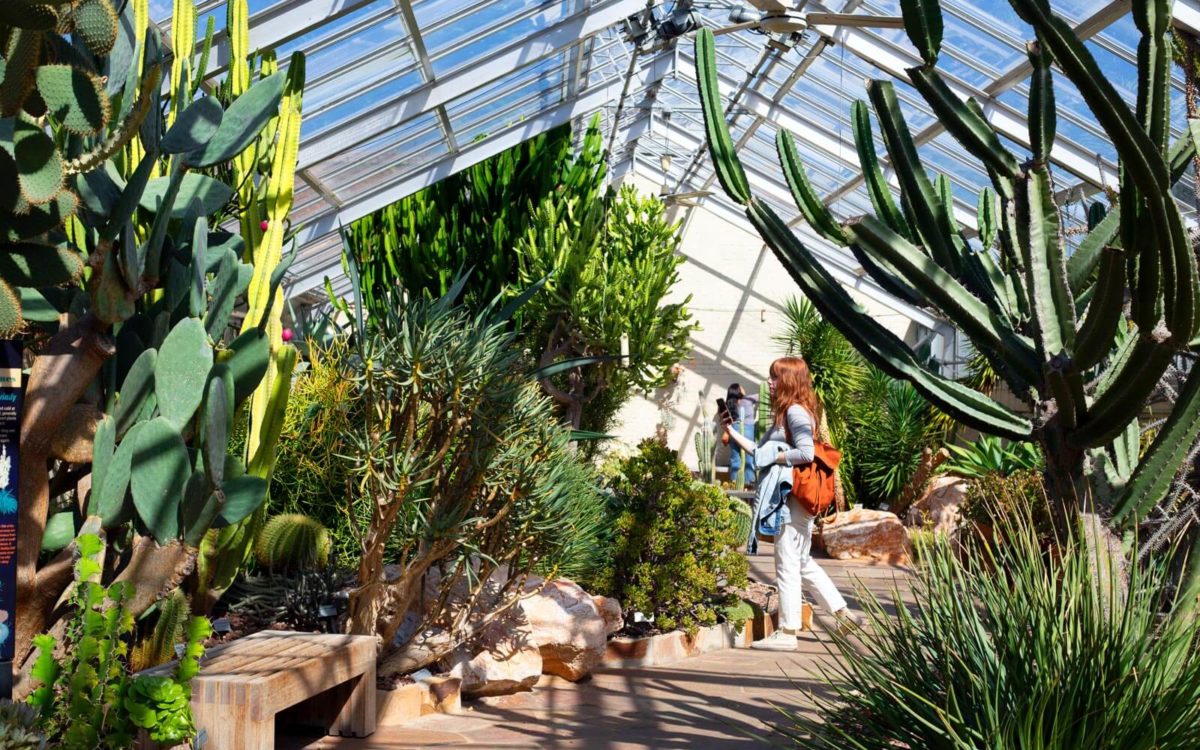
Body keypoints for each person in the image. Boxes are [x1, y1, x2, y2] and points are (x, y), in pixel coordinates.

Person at [723, 357, 862, 650]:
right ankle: (842, 613)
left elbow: (806, 453)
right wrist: (733, 432)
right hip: (794, 500)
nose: (770, 383)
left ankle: (787, 633)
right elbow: (761, 452)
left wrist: (778, 457)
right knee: (801, 561)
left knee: (786, 563)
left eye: (775, 378)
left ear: (788, 381)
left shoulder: (796, 413)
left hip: (792, 500)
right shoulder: (788, 413)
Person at [725, 383, 758, 487]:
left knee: (735, 459)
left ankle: (735, 486)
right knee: (749, 459)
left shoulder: (728, 403)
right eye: (742, 387)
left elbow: (724, 418)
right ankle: (748, 486)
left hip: (733, 430)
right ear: (738, 391)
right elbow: (763, 396)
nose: (744, 388)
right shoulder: (748, 399)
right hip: (747, 429)